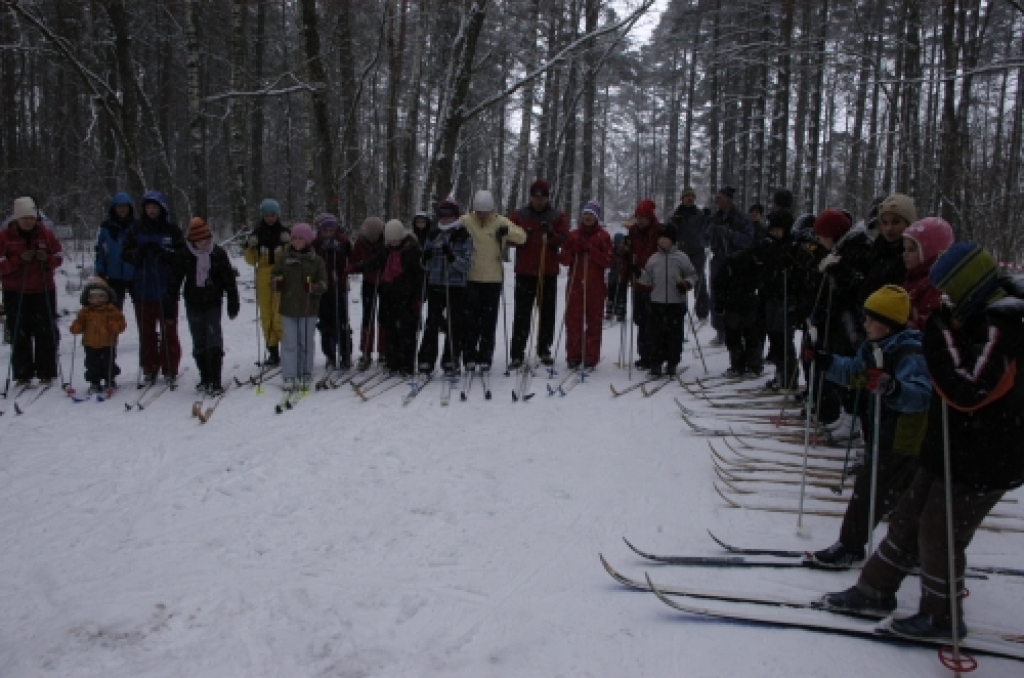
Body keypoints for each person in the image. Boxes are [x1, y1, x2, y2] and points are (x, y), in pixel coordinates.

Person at [823, 244, 1024, 640]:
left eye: (948, 288)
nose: (942, 299)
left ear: (967, 283)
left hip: (988, 453)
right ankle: (875, 588)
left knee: (939, 531)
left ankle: (940, 614)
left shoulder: (1004, 324)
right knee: (909, 515)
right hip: (951, 443)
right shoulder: (971, 315)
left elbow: (967, 387)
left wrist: (938, 333)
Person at [807, 284, 931, 567]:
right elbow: (854, 374)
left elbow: (922, 396)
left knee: (870, 491)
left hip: (903, 437)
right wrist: (826, 362)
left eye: (871, 318)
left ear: (887, 324)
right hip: (881, 430)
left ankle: (850, 545)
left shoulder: (909, 352)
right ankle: (913, 550)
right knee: (903, 495)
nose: (864, 323)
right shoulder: (874, 347)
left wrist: (892, 388)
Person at [170, 217, 240, 395]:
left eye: (206, 239)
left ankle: (215, 379)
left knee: (213, 339)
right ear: (192, 241)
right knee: (199, 341)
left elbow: (228, 280)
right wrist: (170, 302)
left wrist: (233, 302)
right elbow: (175, 280)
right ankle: (205, 376)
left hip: (213, 302)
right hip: (193, 302)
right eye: (199, 241)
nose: (203, 243)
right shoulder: (185, 255)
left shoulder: (217, 254)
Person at [121, 191, 184, 386]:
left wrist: (167, 254)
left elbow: (182, 254)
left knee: (169, 332)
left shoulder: (171, 230)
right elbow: (126, 253)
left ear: (162, 209)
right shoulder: (136, 229)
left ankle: (170, 368)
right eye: (148, 207)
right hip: (143, 289)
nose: (151, 211)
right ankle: (149, 367)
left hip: (166, 289)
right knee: (147, 332)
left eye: (155, 207)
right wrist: (138, 254)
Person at [0, 197, 64, 386]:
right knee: (19, 331)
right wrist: (18, 260)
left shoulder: (45, 234)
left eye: (31, 218)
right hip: (15, 290)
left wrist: (47, 259)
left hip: (43, 288)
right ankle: (22, 373)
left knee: (45, 332)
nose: (28, 222)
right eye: (24, 218)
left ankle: (46, 372)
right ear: (17, 219)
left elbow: (59, 257)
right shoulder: (5, 237)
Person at [757, 211, 824, 389]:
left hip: (786, 298)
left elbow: (799, 273)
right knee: (775, 338)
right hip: (772, 296)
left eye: (779, 230)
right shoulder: (770, 245)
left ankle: (789, 377)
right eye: (773, 230)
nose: (775, 233)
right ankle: (781, 374)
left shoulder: (793, 246)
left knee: (784, 340)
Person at [461, 189, 525, 372]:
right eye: (479, 212)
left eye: (485, 212)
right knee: (471, 320)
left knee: (489, 321)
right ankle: (469, 356)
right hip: (471, 278)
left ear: (491, 210)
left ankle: (485, 356)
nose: (482, 215)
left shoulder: (500, 221)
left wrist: (507, 232)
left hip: (492, 278)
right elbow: (448, 228)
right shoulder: (466, 221)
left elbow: (522, 237)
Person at [508, 179, 569, 369]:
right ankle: (517, 353)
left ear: (548, 197)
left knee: (547, 313)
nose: (539, 201)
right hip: (525, 272)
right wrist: (522, 237)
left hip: (547, 271)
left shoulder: (557, 216)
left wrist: (551, 235)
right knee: (522, 314)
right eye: (535, 197)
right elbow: (508, 238)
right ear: (531, 197)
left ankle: (544, 349)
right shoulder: (519, 214)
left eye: (542, 197)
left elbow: (563, 239)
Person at [418, 199, 474, 376]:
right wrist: (425, 257)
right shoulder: (433, 235)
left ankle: (451, 359)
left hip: (456, 285)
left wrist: (452, 257)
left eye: (449, 214)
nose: (445, 218)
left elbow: (466, 265)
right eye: (442, 214)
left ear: (456, 215)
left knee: (454, 323)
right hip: (436, 284)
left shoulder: (464, 235)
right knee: (432, 323)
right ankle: (426, 359)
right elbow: (424, 265)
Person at [636, 224, 698, 377]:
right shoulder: (653, 258)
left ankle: (672, 362)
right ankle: (656, 363)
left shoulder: (681, 257)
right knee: (656, 335)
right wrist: (638, 273)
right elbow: (648, 279)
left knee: (674, 335)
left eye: (666, 238)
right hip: (656, 302)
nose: (662, 241)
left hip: (675, 302)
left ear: (672, 240)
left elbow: (692, 274)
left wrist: (687, 284)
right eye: (660, 238)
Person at [271, 223, 327, 390]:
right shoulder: (285, 258)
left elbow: (324, 283)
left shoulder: (316, 260)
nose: (296, 241)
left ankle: (305, 373)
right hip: (288, 308)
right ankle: (289, 376)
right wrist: (276, 283)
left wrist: (314, 288)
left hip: (308, 309)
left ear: (308, 240)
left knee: (305, 343)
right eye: (294, 238)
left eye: (300, 238)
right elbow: (274, 275)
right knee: (289, 343)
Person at [558, 201, 613, 369]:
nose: (588, 217)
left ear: (596, 217)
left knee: (594, 321)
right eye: (585, 214)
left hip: (595, 286)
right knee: (573, 320)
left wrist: (591, 250)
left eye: (591, 214)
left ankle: (591, 356)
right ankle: (573, 355)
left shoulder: (603, 236)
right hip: (576, 283)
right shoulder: (573, 235)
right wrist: (573, 250)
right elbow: (564, 260)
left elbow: (609, 260)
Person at [702, 186, 753, 346]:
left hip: (737, 262)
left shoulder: (741, 218)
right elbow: (702, 240)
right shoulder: (713, 218)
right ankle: (720, 330)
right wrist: (708, 234)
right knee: (716, 296)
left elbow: (748, 240)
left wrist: (731, 235)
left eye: (720, 198)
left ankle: (738, 330)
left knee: (735, 298)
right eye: (717, 198)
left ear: (728, 199)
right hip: (718, 261)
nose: (717, 201)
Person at [712, 232, 767, 377]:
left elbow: (759, 280)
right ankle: (738, 365)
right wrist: (720, 301)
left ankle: (754, 365)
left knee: (750, 334)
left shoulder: (753, 262)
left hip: (748, 301)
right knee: (733, 334)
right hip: (733, 303)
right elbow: (719, 284)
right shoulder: (728, 263)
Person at [244, 198, 289, 367]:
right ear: (263, 216)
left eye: (273, 215)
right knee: (266, 314)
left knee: (280, 313)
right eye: (267, 215)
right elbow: (250, 260)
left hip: (281, 274)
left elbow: (291, 255)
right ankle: (272, 351)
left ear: (277, 215)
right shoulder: (256, 234)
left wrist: (286, 244)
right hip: (263, 274)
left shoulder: (284, 232)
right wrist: (251, 247)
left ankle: (286, 348)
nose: (270, 218)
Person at [377, 220, 422, 375]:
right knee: (390, 330)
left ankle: (407, 364)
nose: (393, 243)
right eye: (390, 240)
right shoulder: (386, 251)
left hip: (407, 298)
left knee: (407, 331)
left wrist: (418, 297)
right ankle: (392, 362)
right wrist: (357, 266)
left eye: (395, 240)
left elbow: (419, 276)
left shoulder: (412, 252)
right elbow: (376, 263)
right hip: (389, 296)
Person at [621, 200, 661, 369]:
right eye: (638, 217)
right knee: (640, 318)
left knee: (653, 320)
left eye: (644, 217)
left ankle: (654, 355)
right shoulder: (633, 231)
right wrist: (625, 270)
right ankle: (643, 354)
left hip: (655, 283)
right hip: (638, 281)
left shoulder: (658, 230)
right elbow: (626, 253)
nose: (640, 220)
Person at [69, 277, 127, 393]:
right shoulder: (85, 311)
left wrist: (115, 326)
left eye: (101, 296)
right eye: (94, 297)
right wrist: (76, 327)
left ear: (107, 297)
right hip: (90, 343)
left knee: (108, 363)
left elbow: (121, 324)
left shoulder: (112, 310)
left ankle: (109, 380)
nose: (98, 300)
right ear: (88, 298)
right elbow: (79, 323)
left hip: (107, 342)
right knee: (91, 364)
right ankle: (94, 382)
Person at [312, 214, 352, 371]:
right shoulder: (315, 244)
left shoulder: (342, 241)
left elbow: (350, 257)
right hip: (323, 289)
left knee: (342, 323)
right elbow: (313, 262)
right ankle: (330, 354)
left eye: (331, 229)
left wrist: (341, 250)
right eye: (325, 230)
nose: (328, 233)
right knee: (326, 325)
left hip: (339, 287)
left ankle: (346, 355)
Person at [348, 216, 387, 370]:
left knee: (383, 317)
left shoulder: (385, 241)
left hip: (384, 282)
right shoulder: (360, 242)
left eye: (375, 234)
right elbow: (354, 260)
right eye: (369, 234)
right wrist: (359, 267)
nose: (372, 237)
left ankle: (383, 350)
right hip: (369, 283)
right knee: (367, 317)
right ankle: (366, 351)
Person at [901, 217, 954, 331]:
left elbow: (930, 322)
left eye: (911, 250)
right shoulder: (913, 277)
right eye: (904, 249)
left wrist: (902, 326)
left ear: (929, 251)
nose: (905, 254)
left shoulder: (937, 284)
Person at [669, 186, 707, 323]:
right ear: (682, 198)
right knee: (679, 282)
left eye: (692, 196)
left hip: (697, 251)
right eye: (687, 196)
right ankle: (679, 310)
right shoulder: (676, 214)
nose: (689, 198)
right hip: (681, 252)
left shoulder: (700, 214)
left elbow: (706, 231)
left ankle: (702, 311)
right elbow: (669, 231)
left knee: (699, 281)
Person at [94, 192, 137, 310]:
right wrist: (100, 270)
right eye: (119, 206)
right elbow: (100, 251)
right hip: (114, 275)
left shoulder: (137, 226)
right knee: (113, 312)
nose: (122, 209)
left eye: (125, 206)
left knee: (142, 311)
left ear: (130, 208)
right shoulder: (105, 228)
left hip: (134, 274)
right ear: (114, 208)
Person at [605, 231, 627, 322]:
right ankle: (610, 311)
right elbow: (609, 262)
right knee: (611, 294)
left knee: (621, 295)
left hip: (622, 277)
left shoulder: (625, 252)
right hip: (613, 277)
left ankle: (620, 312)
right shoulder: (612, 251)